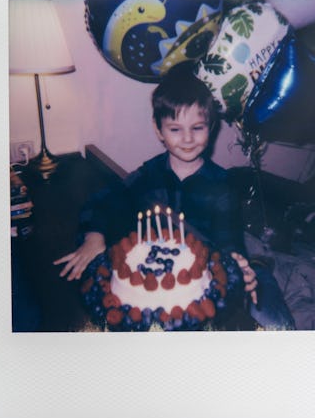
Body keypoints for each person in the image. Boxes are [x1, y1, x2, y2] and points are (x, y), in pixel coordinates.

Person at [54, 64, 295, 330]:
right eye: (175, 129)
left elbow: (229, 243)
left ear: (211, 127)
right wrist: (94, 236)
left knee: (274, 325)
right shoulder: (148, 175)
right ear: (158, 130)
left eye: (198, 127)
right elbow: (107, 200)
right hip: (158, 291)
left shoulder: (222, 187)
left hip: (206, 285)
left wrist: (239, 264)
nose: (188, 139)